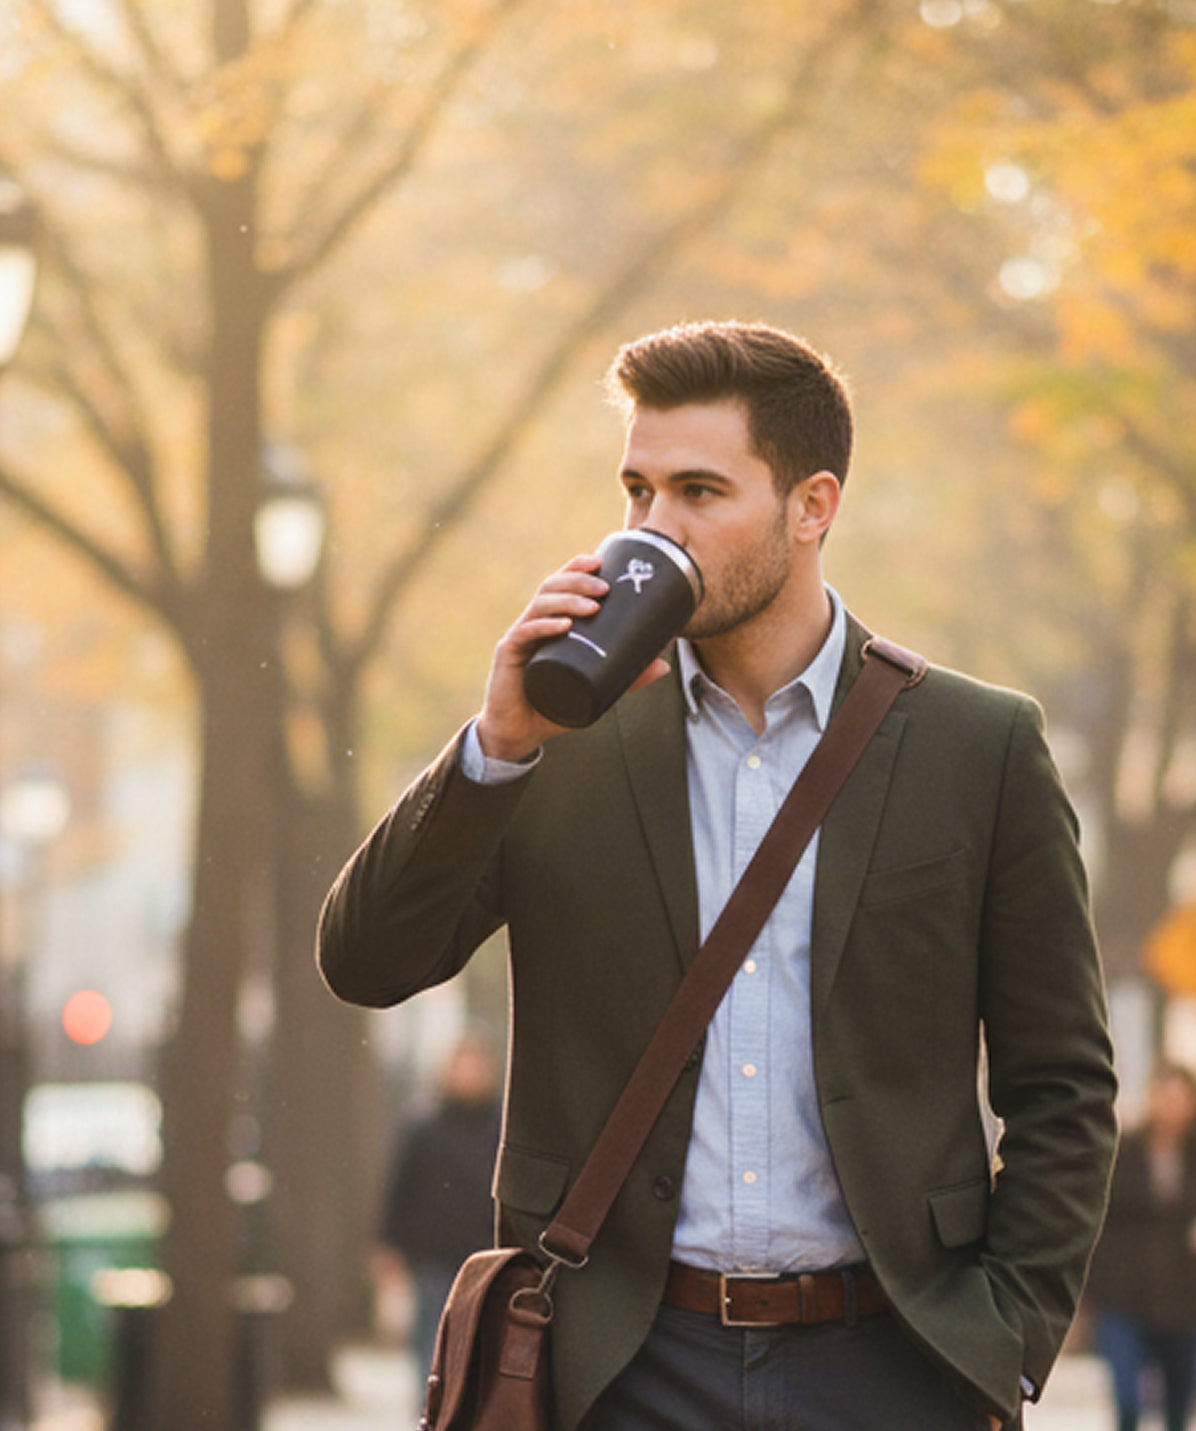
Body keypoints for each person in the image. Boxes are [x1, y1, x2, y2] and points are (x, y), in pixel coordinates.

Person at [317, 320, 1118, 1430]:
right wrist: (497, 744)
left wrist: (1004, 1342)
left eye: (698, 492)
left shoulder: (974, 748)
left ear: (811, 506)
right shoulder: (560, 739)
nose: (654, 531)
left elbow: (1061, 1085)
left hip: (891, 1361)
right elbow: (366, 961)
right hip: (620, 1365)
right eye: (636, 492)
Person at [369, 1029, 502, 1383]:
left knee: (482, 1351)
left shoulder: (503, 1129)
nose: (470, 1073)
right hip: (433, 1259)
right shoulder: (422, 1127)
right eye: (463, 1065)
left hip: (488, 1258)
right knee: (431, 1350)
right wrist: (387, 1247)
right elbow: (399, 1188)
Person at [1086, 1062, 1196, 1431]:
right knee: (1128, 1401)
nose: (1171, 1106)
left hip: (1183, 1299)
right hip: (1123, 1296)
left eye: (1180, 1097)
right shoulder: (1124, 1151)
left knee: (1179, 1408)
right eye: (1164, 1095)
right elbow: (1094, 1218)